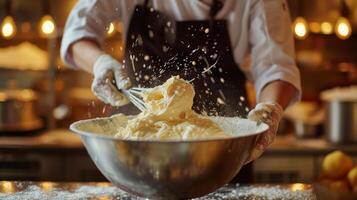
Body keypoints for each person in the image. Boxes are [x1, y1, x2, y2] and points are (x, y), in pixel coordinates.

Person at [61, 0, 301, 182]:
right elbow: (77, 34)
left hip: (221, 158)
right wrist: (100, 63)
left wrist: (270, 109)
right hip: (137, 155)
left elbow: (277, 66)